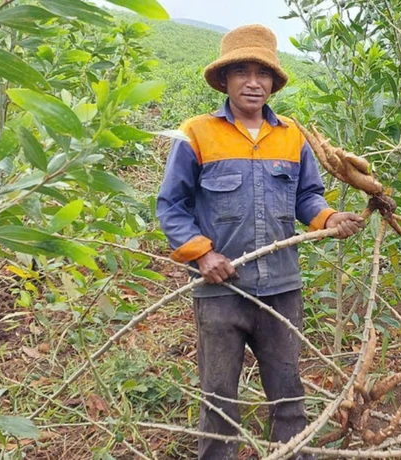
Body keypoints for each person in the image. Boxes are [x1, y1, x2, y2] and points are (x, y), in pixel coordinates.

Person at [156, 24, 365, 459]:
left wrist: (329, 217)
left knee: (288, 396)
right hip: (221, 291)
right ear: (225, 79)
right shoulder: (196, 133)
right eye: (242, 72)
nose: (253, 82)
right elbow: (171, 205)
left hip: (281, 289)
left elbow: (307, 196)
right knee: (219, 401)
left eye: (263, 73)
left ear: (273, 82)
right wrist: (202, 254)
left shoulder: (291, 135)